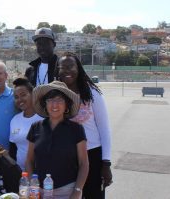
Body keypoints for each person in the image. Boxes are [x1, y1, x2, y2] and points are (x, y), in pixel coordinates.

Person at [55, 52, 113, 199]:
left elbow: (105, 129)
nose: (67, 71)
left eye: (71, 66)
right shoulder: (55, 94)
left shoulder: (91, 93)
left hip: (92, 155)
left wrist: (106, 163)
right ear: (58, 71)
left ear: (78, 68)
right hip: (66, 157)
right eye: (63, 67)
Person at [25, 81, 88, 199]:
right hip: (39, 191)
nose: (55, 105)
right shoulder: (35, 127)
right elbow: (29, 160)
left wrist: (77, 191)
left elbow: (84, 163)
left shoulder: (76, 129)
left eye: (59, 100)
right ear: (45, 104)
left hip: (68, 191)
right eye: (50, 100)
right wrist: (32, 185)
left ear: (66, 105)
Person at [8, 78, 43, 171]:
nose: (20, 99)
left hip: (40, 172)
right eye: (16, 97)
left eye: (23, 95)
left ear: (32, 94)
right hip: (20, 173)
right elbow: (13, 150)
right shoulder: (14, 120)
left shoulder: (43, 119)